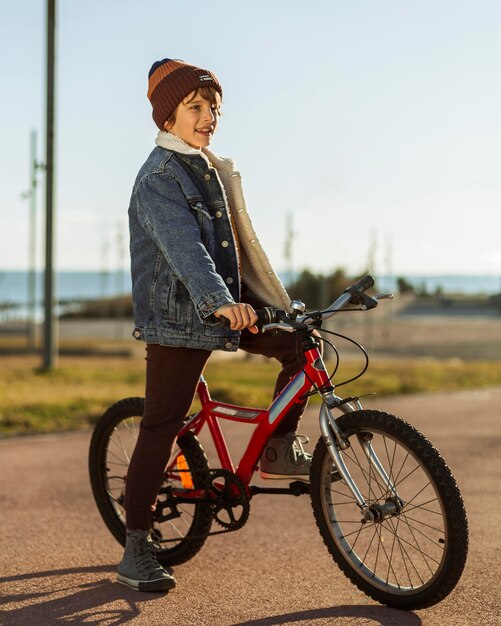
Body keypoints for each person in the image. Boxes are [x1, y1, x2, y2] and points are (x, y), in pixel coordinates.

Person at [118, 58, 316, 592]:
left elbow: (234, 252)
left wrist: (272, 305)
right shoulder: (159, 177)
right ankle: (136, 547)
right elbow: (187, 251)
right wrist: (220, 301)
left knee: (302, 346)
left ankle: (278, 445)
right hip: (178, 320)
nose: (209, 118)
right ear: (167, 117)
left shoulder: (209, 166)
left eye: (214, 109)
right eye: (196, 108)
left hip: (226, 306)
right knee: (161, 426)